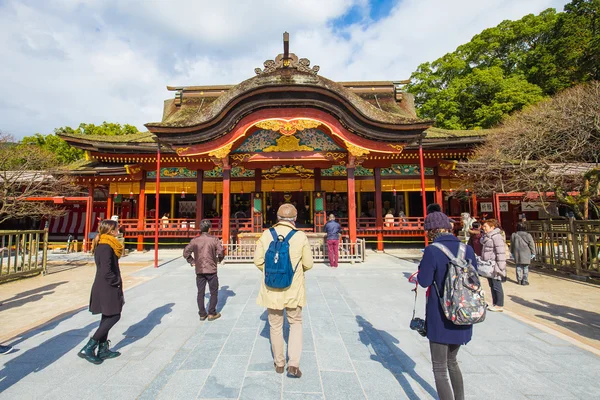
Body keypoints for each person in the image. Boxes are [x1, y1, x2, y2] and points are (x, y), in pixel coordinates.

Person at [418, 210, 477, 400]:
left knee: (439, 367)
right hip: (463, 311)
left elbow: (424, 281)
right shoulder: (466, 249)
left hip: (440, 314)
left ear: (431, 230)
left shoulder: (432, 250)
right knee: (452, 362)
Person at [253, 204, 313, 378]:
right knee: (295, 323)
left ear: (277, 218)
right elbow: (308, 264)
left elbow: (258, 261)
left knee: (275, 325)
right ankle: (293, 364)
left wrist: (272, 272)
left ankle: (279, 363)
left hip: (272, 288)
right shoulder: (300, 236)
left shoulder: (266, 234)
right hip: (293, 288)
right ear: (294, 219)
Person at [79, 219, 124, 365]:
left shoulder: (105, 244)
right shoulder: (106, 247)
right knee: (115, 315)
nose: (119, 230)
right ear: (111, 230)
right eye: (117, 228)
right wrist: (115, 282)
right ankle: (89, 346)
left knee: (107, 315)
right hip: (107, 286)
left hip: (104, 285)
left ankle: (103, 348)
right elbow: (106, 270)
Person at [184, 219, 224, 321]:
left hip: (200, 270)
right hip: (211, 269)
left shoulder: (194, 240)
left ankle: (202, 313)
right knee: (213, 292)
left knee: (200, 292)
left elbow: (185, 252)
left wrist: (192, 261)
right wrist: (218, 260)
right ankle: (211, 313)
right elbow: (221, 252)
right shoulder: (214, 239)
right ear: (210, 229)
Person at [481, 219, 507, 312]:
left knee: (497, 285)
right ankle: (494, 303)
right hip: (488, 264)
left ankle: (499, 304)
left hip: (495, 264)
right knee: (492, 285)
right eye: (483, 226)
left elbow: (500, 252)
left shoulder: (496, 237)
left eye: (486, 226)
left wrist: (500, 266)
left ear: (492, 227)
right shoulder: (487, 237)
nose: (484, 228)